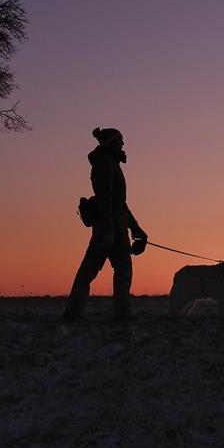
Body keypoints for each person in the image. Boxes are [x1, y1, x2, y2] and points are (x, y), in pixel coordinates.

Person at [62, 127, 148, 322]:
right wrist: (110, 230)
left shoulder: (109, 163)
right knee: (120, 269)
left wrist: (135, 227)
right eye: (121, 140)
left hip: (111, 228)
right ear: (112, 143)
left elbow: (119, 204)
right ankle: (121, 313)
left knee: (90, 271)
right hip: (110, 230)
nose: (123, 144)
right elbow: (106, 199)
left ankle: (73, 313)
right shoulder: (104, 165)